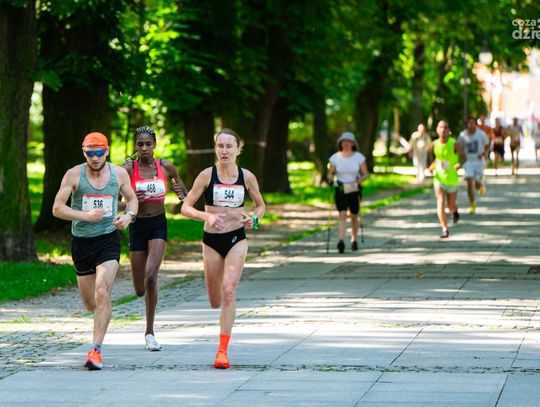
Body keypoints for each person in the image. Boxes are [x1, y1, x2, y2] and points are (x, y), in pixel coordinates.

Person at [52, 132, 138, 370]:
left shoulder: (118, 174)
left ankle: (95, 351)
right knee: (91, 304)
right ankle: (103, 312)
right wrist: (85, 216)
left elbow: (132, 200)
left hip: (108, 240)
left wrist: (129, 216)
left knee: (102, 292)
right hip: (81, 243)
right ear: (84, 152)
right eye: (90, 153)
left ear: (107, 151)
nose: (95, 157)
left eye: (99, 152)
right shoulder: (73, 175)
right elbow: (57, 208)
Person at [180, 128, 265, 369]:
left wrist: (254, 219)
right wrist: (206, 216)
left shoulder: (246, 177)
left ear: (239, 149)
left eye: (229, 146)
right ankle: (219, 317)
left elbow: (260, 206)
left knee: (229, 291)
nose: (224, 151)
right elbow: (185, 208)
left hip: (237, 238)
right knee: (215, 300)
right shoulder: (207, 175)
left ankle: (222, 351)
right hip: (211, 241)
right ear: (216, 148)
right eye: (220, 146)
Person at [121, 126, 188, 351]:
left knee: (151, 276)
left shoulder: (166, 166)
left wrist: (182, 195)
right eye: (140, 144)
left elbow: (186, 195)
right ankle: (144, 302)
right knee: (139, 289)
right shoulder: (128, 169)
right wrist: (131, 201)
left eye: (148, 144)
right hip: (137, 226)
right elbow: (114, 202)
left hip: (158, 224)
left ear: (155, 145)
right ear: (135, 146)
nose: (144, 148)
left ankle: (149, 333)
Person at [327, 132, 369, 253]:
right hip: (340, 187)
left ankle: (354, 240)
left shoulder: (359, 157)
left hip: (354, 188)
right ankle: (341, 241)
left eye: (348, 141)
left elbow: (365, 173)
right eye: (343, 141)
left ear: (353, 144)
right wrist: (330, 177)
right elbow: (331, 172)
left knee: (354, 215)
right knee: (342, 213)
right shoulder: (335, 157)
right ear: (340, 143)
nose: (345, 143)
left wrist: (359, 180)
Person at [429, 121, 464, 238]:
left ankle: (455, 211)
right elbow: (437, 159)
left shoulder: (454, 144)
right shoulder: (434, 144)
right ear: (437, 130)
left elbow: (463, 157)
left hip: (452, 179)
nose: (443, 130)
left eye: (445, 127)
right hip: (439, 178)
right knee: (440, 202)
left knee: (450, 206)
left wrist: (459, 164)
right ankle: (445, 229)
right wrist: (431, 167)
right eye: (440, 127)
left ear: (449, 130)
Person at [457, 116, 490, 214]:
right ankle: (472, 205)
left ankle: (480, 186)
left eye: (472, 123)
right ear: (466, 125)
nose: (471, 125)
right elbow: (458, 146)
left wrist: (485, 153)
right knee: (469, 182)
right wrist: (460, 159)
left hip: (478, 161)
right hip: (468, 162)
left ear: (476, 124)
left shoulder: (481, 134)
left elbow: (487, 144)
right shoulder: (462, 135)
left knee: (477, 184)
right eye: (469, 123)